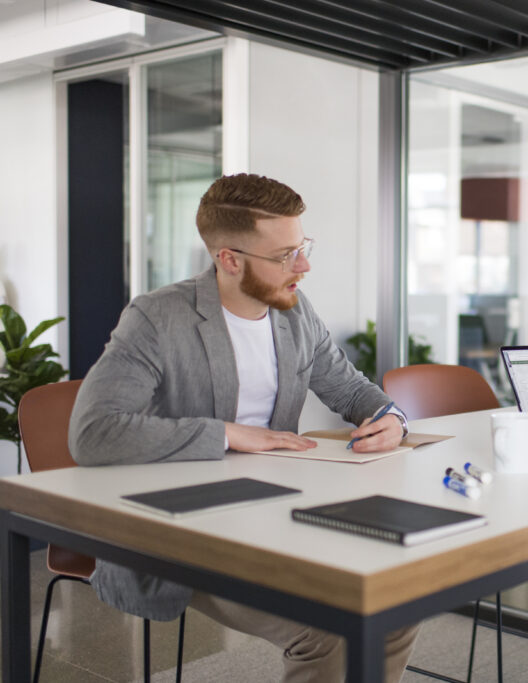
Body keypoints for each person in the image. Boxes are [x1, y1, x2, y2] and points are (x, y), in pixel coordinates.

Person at [69, 173, 418, 682]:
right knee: (324, 631)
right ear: (228, 258)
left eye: (302, 248)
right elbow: (94, 433)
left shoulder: (294, 311)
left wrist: (391, 419)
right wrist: (228, 433)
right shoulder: (158, 317)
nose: (304, 266)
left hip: (279, 512)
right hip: (183, 528)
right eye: (284, 256)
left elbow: (349, 388)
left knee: (393, 611)